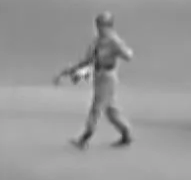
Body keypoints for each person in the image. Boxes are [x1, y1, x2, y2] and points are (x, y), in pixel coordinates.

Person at [56, 11, 135, 148]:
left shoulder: (114, 41)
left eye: (101, 25)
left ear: (108, 26)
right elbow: (88, 60)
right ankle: (126, 133)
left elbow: (128, 55)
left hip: (108, 77)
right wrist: (71, 70)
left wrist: (116, 52)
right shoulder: (97, 41)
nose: (98, 28)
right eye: (98, 25)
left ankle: (85, 138)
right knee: (111, 110)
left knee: (96, 108)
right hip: (99, 76)